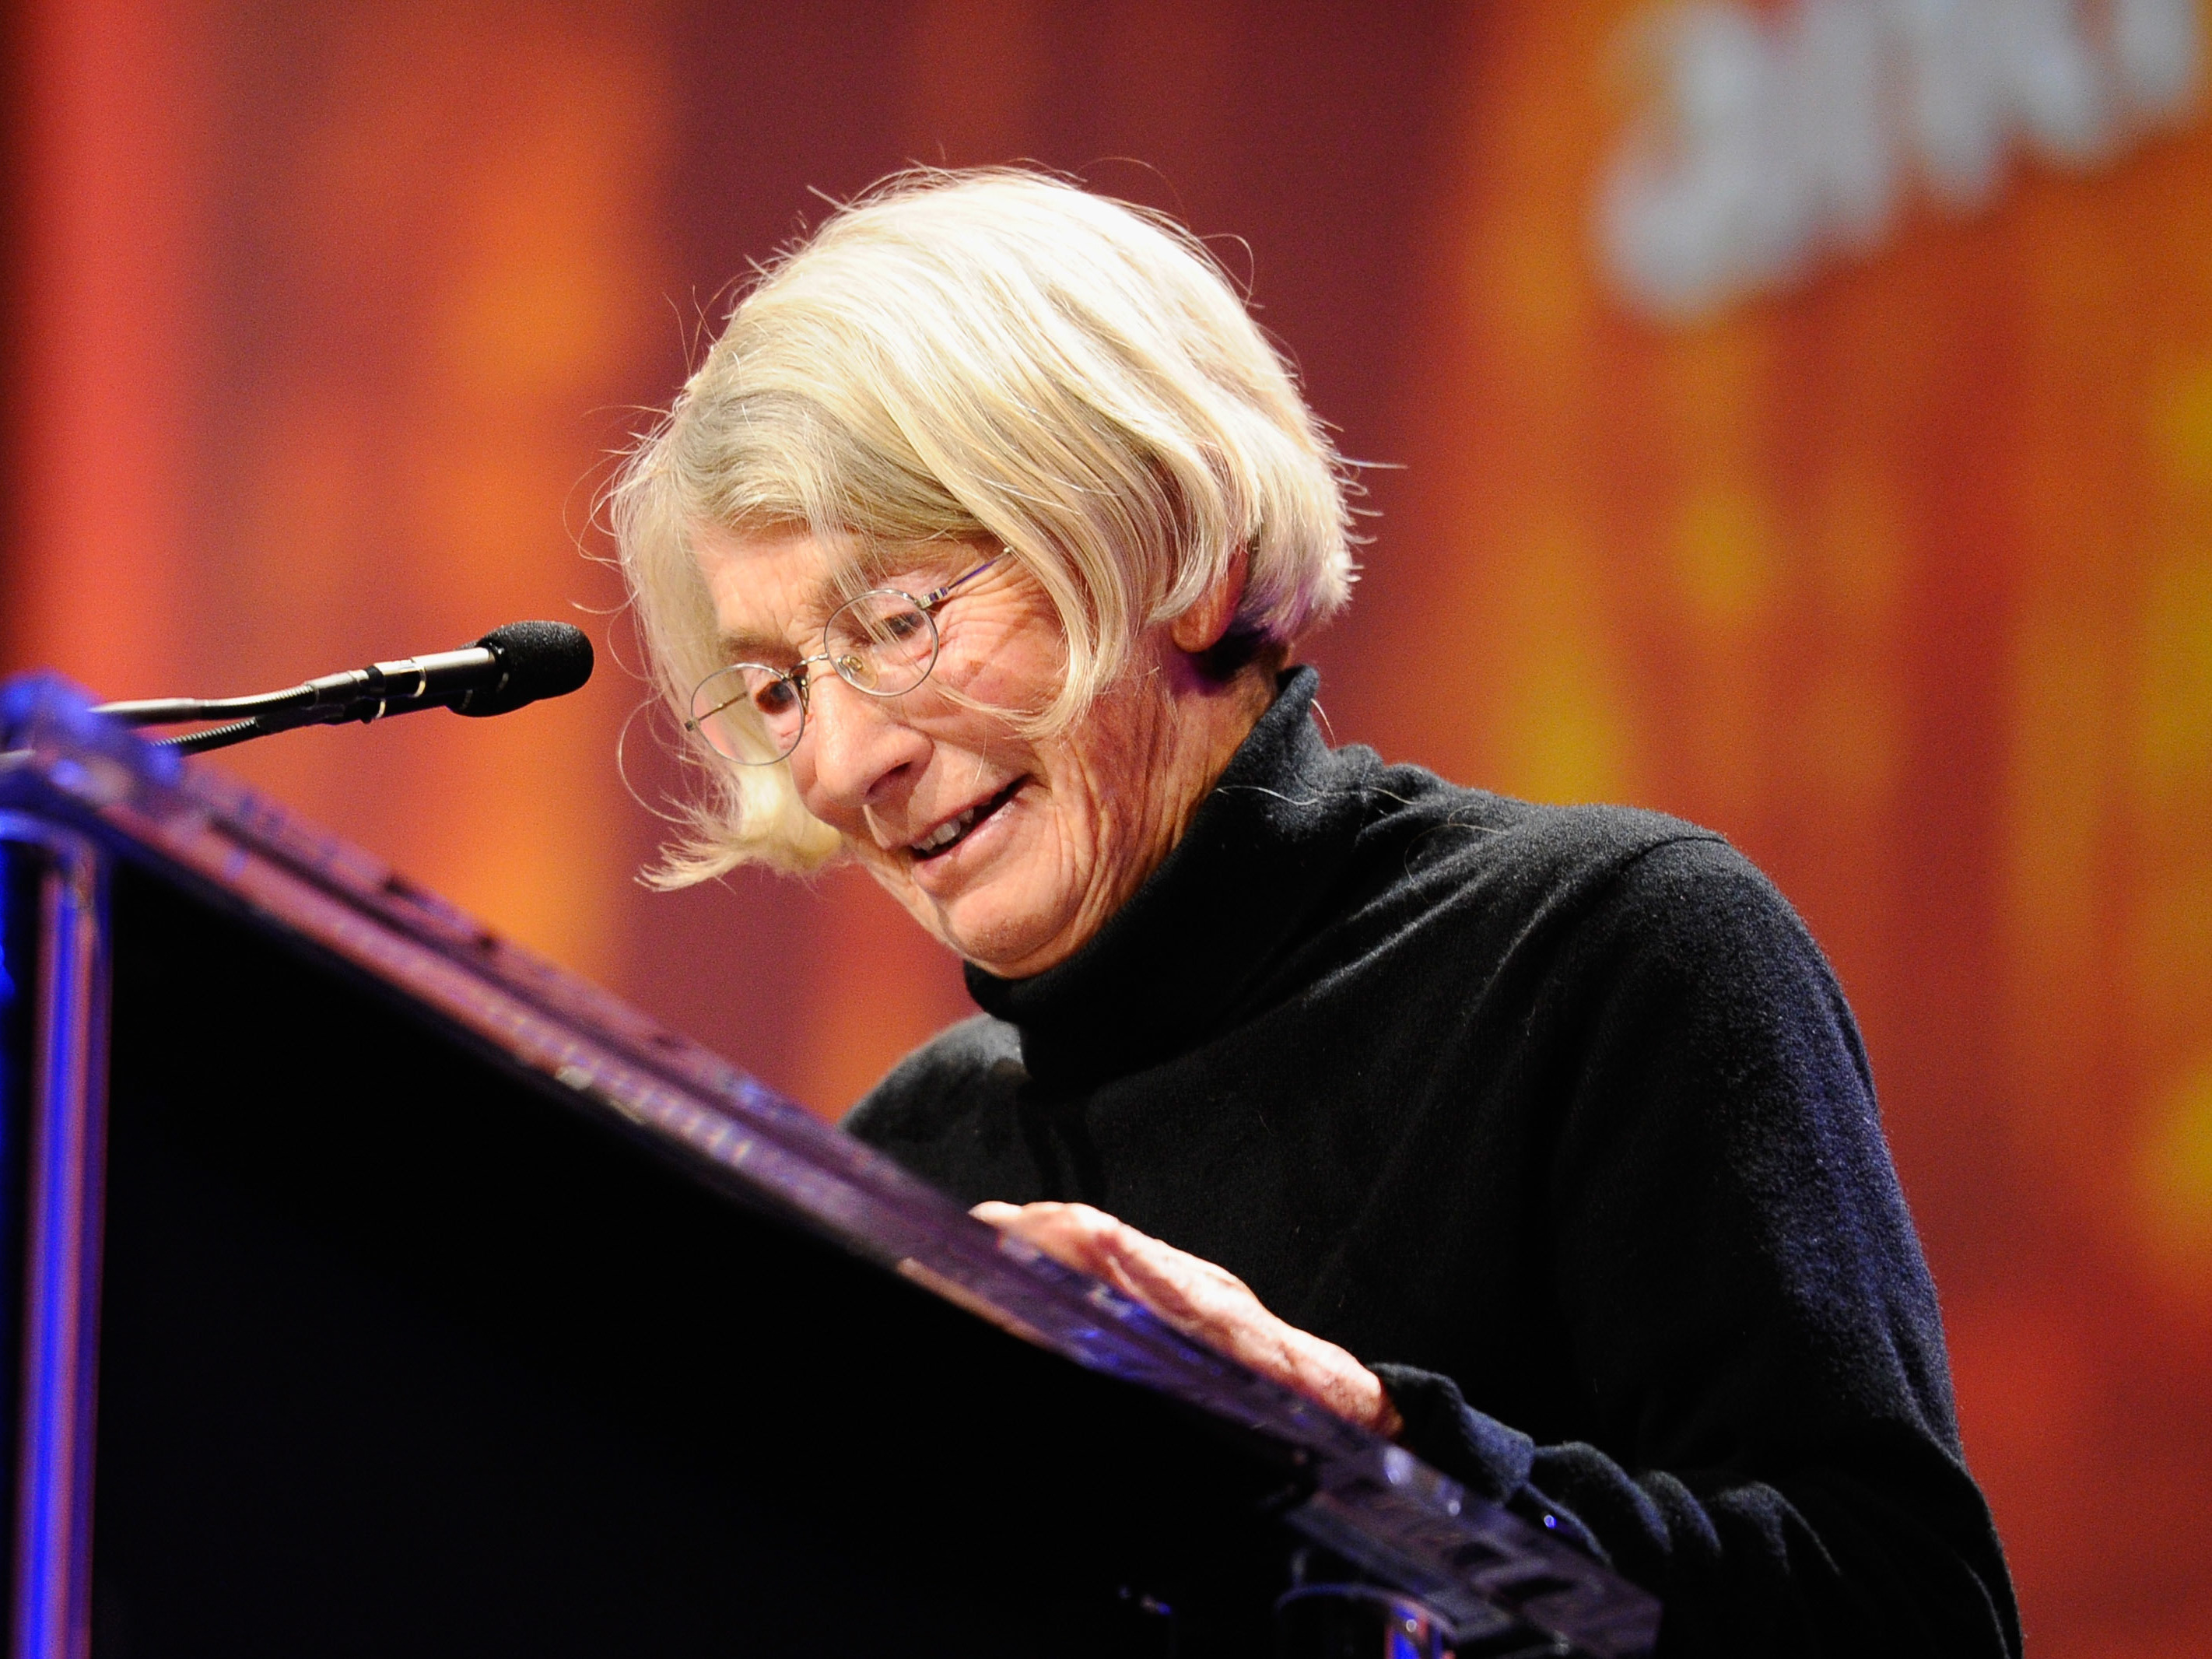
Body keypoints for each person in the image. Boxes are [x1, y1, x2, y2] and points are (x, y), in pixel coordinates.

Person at [611, 167, 2020, 1656]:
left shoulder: (1610, 952)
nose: (838, 761)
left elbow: (1908, 1614)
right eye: (775, 687)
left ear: (1180, 544)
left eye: (900, 620)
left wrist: (1366, 1452)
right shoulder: (917, 1155)